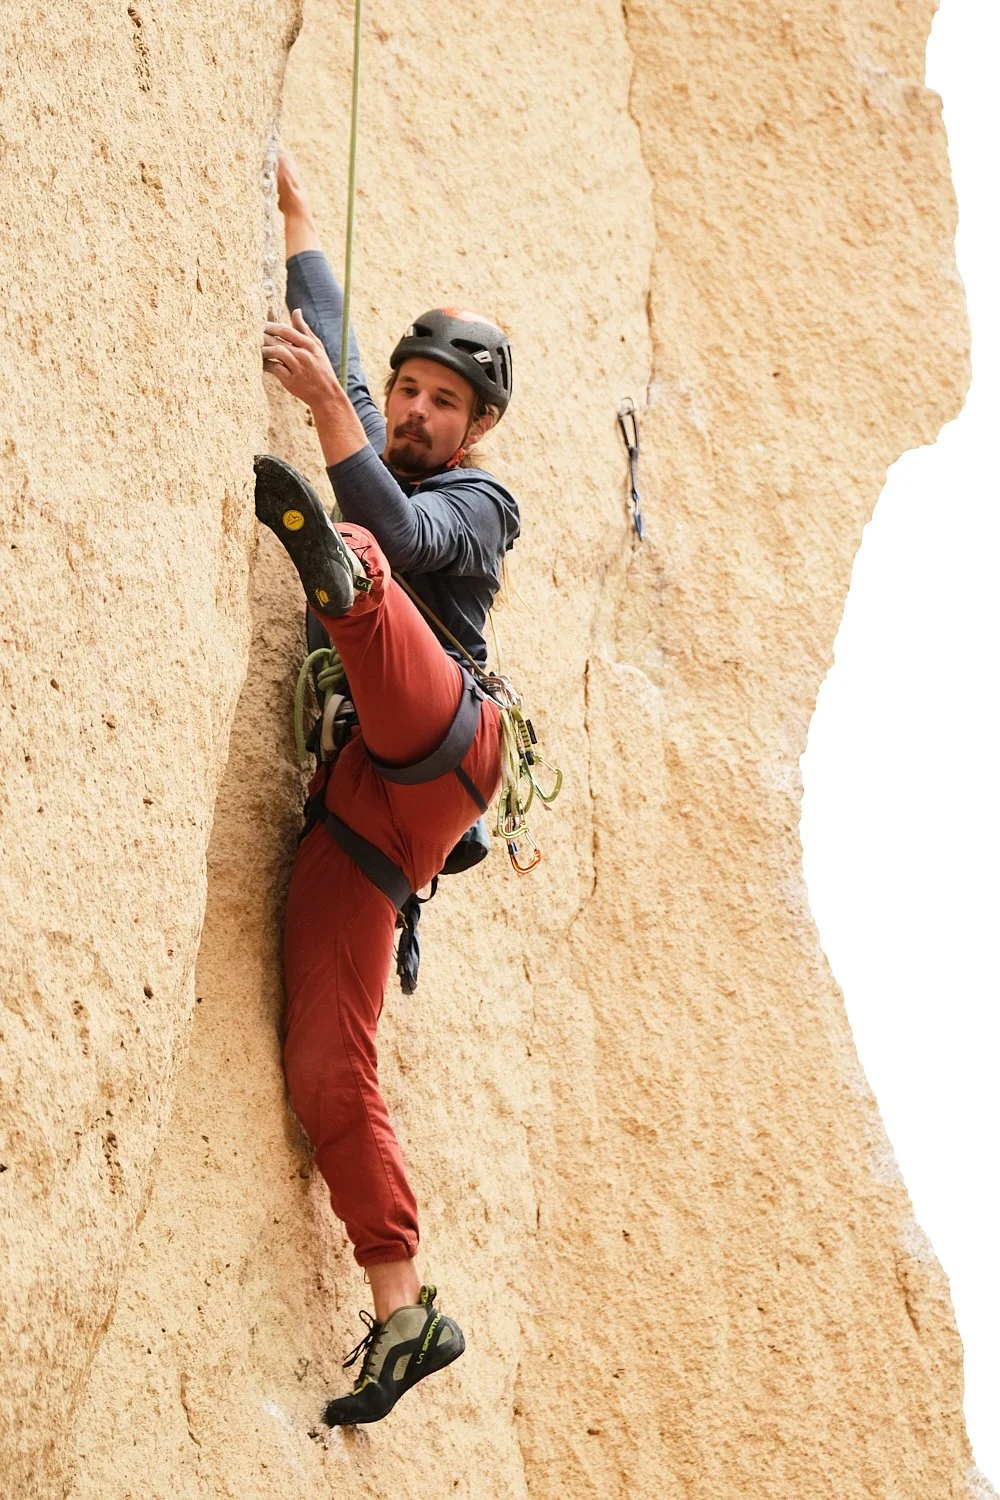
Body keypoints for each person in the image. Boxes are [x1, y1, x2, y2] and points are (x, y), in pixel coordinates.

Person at [253, 151, 519, 1427]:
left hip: (446, 742)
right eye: (404, 393)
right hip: (367, 824)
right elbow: (336, 343)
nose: (411, 412)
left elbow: (412, 536)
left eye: (438, 402)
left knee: (369, 553)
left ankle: (338, 581)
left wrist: (335, 422)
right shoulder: (388, 432)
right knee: (323, 1064)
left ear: (474, 427)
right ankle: (403, 1312)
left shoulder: (479, 504)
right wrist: (301, 218)